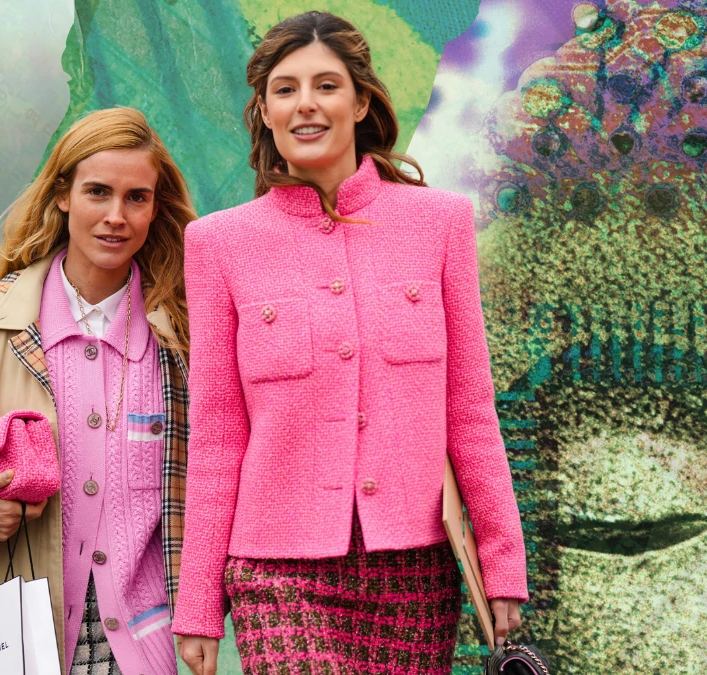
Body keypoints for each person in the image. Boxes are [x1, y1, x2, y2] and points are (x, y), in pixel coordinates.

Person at [172, 11, 528, 675]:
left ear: (361, 102)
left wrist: (502, 564)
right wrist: (198, 604)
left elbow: (470, 413)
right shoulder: (218, 244)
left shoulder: (440, 223)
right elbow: (218, 437)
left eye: (326, 85)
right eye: (285, 89)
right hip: (276, 571)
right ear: (265, 112)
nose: (305, 104)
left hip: (414, 570)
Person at [0, 106, 195, 675]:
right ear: (63, 195)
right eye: (98, 192)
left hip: (146, 650)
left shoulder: (183, 341)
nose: (116, 216)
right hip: (11, 648)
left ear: (155, 207)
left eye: (136, 198)